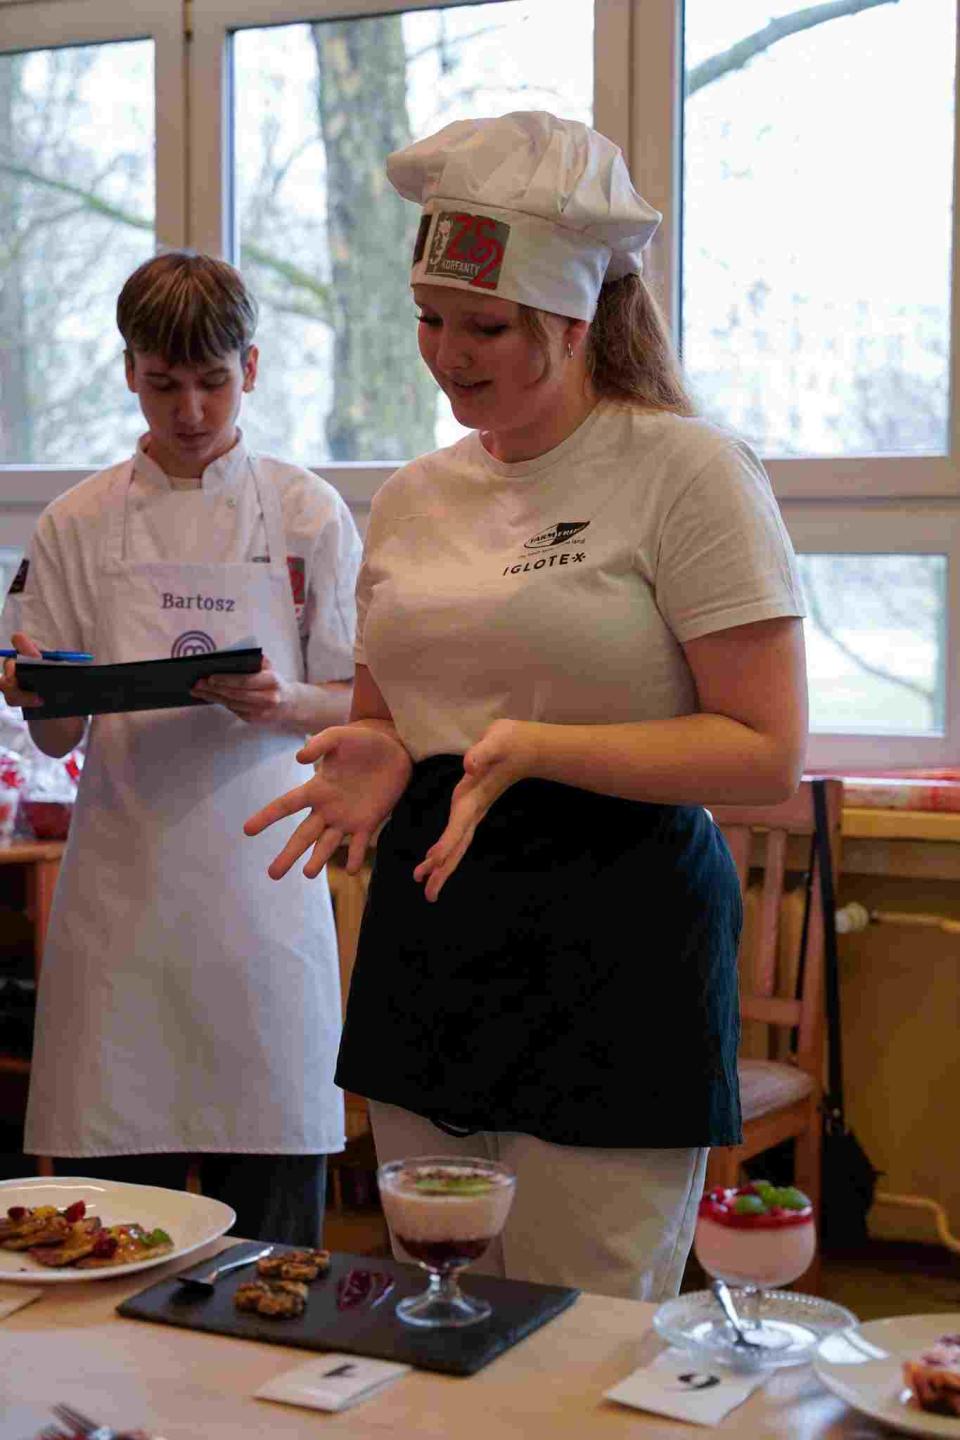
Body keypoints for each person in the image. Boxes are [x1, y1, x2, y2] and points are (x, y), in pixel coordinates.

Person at [245, 112, 808, 1298]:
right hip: (436, 923)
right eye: (429, 319)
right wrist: (381, 754)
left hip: (619, 938)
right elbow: (390, 709)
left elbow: (763, 751)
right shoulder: (413, 497)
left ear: (576, 318)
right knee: (437, 1306)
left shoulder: (689, 471)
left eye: (486, 327)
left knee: (583, 1333)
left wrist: (539, 748)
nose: (448, 354)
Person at [0, 251, 361, 1245]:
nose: (190, 411)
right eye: (164, 384)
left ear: (253, 368)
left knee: (276, 1243)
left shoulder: (307, 513)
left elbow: (363, 703)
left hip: (265, 895)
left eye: (212, 382)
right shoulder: (76, 522)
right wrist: (36, 690)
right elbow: (59, 735)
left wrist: (282, 699)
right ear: (129, 372)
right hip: (123, 905)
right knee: (105, 1233)